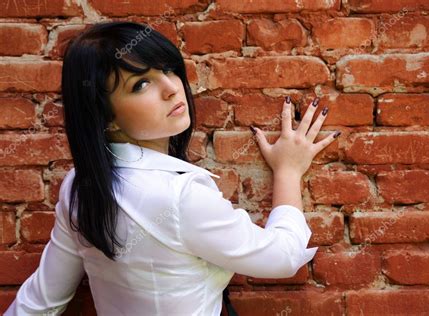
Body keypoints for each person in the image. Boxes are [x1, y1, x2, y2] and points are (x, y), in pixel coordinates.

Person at [4, 21, 340, 316]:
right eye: (141, 84)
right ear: (105, 117)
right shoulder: (178, 197)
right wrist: (289, 171)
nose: (171, 87)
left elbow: (44, 299)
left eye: (166, 68)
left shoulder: (80, 185)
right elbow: (283, 257)